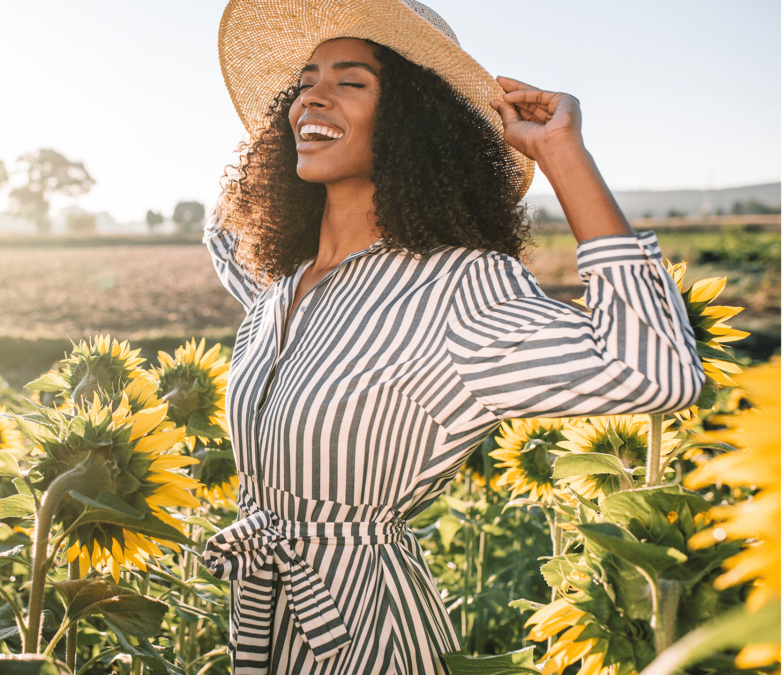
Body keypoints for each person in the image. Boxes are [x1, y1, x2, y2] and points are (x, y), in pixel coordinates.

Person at [199, 1, 705, 673]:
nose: (310, 96)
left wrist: (562, 154)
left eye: (351, 81)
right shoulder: (277, 287)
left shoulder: (457, 290)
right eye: (303, 81)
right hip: (260, 620)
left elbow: (660, 368)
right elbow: (224, 231)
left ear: (412, 121)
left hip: (363, 633)